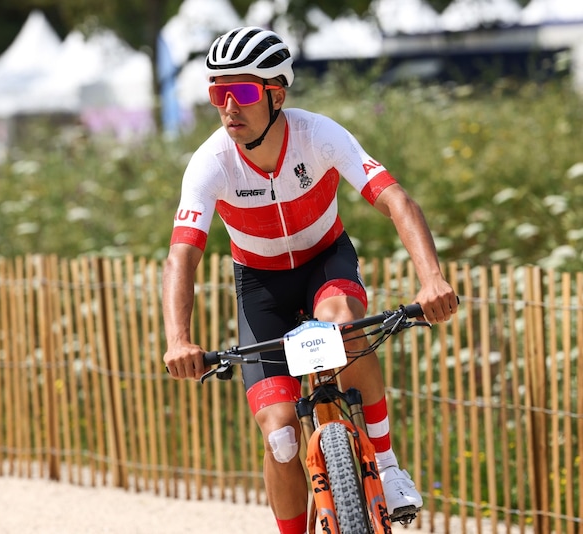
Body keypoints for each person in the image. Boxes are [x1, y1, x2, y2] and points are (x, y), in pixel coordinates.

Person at [161, 26, 457, 534]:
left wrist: (432, 280)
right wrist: (178, 340)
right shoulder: (211, 162)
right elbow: (182, 256)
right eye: (218, 93)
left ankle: (386, 467)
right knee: (280, 438)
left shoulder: (318, 135)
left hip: (325, 263)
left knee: (341, 321)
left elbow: (395, 200)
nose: (229, 105)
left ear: (277, 94)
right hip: (261, 287)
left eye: (244, 91)